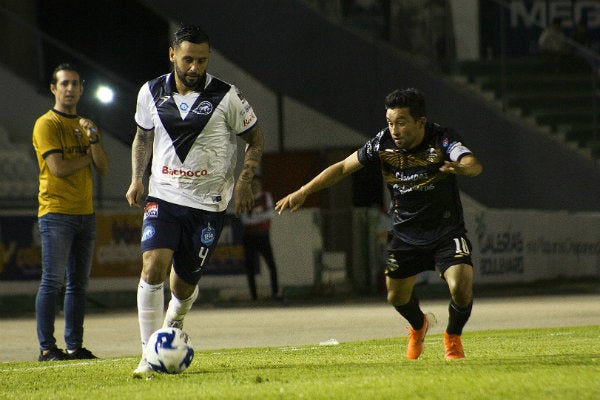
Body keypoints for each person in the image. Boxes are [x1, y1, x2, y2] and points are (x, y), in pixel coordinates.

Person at [275, 88, 482, 360]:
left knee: (461, 285)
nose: (394, 129)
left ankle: (452, 337)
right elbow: (342, 167)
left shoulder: (442, 138)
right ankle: (419, 325)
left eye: (401, 122)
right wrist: (304, 190)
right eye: (390, 122)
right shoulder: (382, 142)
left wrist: (463, 167)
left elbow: (471, 163)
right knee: (395, 297)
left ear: (420, 122)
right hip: (406, 233)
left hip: (446, 230)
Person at [125, 23, 264, 377]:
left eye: (202, 61)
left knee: (182, 285)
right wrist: (138, 179)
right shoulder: (150, 92)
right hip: (164, 195)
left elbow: (256, 137)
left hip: (209, 203)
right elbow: (142, 137)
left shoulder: (227, 96)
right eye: (188, 59)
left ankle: (175, 320)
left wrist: (246, 181)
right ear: (172, 54)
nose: (194, 68)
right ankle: (148, 353)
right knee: (153, 266)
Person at [32, 63, 110, 361]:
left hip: (84, 213)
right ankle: (47, 348)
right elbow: (58, 168)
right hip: (56, 212)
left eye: (75, 83)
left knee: (78, 285)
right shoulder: (47, 124)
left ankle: (75, 346)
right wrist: (88, 157)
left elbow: (103, 167)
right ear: (53, 88)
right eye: (64, 83)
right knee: (52, 281)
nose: (70, 88)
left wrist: (93, 141)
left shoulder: (86, 125)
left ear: (81, 88)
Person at [241, 175, 281, 301]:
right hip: (249, 237)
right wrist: (260, 214)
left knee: (271, 265)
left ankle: (275, 293)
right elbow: (245, 220)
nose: (254, 187)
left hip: (263, 236)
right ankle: (254, 296)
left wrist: (255, 215)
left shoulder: (266, 196)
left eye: (257, 184)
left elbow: (271, 214)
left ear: (260, 185)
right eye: (252, 185)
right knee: (250, 267)